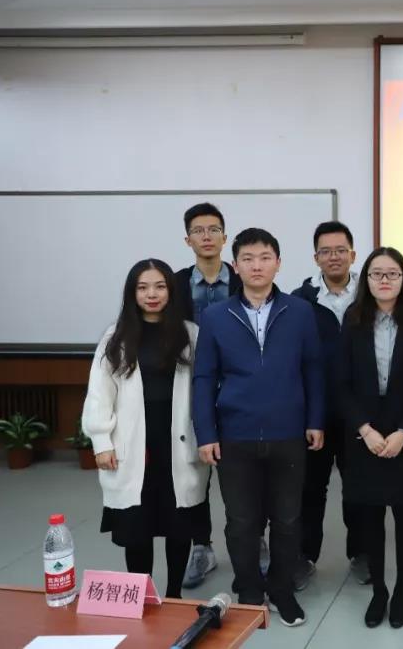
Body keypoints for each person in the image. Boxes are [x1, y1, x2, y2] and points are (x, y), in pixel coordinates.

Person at [192, 228, 325, 627]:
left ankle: (282, 588)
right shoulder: (216, 316)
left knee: (287, 519)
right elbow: (204, 377)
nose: (256, 265)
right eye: (248, 258)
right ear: (235, 265)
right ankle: (249, 590)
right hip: (235, 435)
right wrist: (206, 433)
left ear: (278, 263)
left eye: (265, 257)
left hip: (288, 432)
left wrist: (315, 420)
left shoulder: (299, 311)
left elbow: (313, 369)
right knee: (242, 521)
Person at [82, 259, 208, 599]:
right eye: (143, 287)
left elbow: (205, 388)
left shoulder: (190, 334)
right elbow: (99, 394)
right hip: (133, 444)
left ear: (171, 291)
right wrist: (101, 441)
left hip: (178, 443)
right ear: (132, 293)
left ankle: (175, 595)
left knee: (179, 523)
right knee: (137, 526)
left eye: (160, 286)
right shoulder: (116, 336)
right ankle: (143, 597)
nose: (152, 294)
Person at [337, 248, 403, 629]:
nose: (384, 280)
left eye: (392, 274)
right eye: (376, 274)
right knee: (371, 517)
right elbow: (341, 384)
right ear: (366, 279)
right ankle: (379, 590)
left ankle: (402, 589)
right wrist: (365, 430)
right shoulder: (354, 319)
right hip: (366, 432)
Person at [291, 220, 366, 589]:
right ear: (315, 257)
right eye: (326, 251)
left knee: (359, 487)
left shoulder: (370, 295)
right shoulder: (300, 300)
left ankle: (362, 553)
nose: (334, 257)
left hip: (360, 414)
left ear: (353, 254)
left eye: (340, 250)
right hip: (314, 414)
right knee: (309, 488)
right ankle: (303, 557)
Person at [174, 202, 242, 590]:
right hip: (189, 390)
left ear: (224, 237)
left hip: (238, 391)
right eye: (198, 230)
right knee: (194, 474)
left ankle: (252, 541)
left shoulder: (244, 279)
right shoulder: (174, 284)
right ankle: (202, 546)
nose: (206, 236)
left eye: (213, 229)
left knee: (243, 473)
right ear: (188, 240)